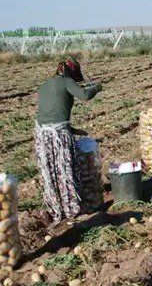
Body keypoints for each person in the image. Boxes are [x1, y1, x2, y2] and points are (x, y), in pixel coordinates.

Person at [35, 59, 102, 225]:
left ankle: (56, 207)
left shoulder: (44, 85)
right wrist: (98, 87)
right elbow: (85, 95)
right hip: (58, 136)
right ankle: (72, 208)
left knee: (51, 172)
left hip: (42, 135)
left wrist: (73, 130)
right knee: (65, 169)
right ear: (71, 72)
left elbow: (52, 113)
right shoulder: (66, 81)